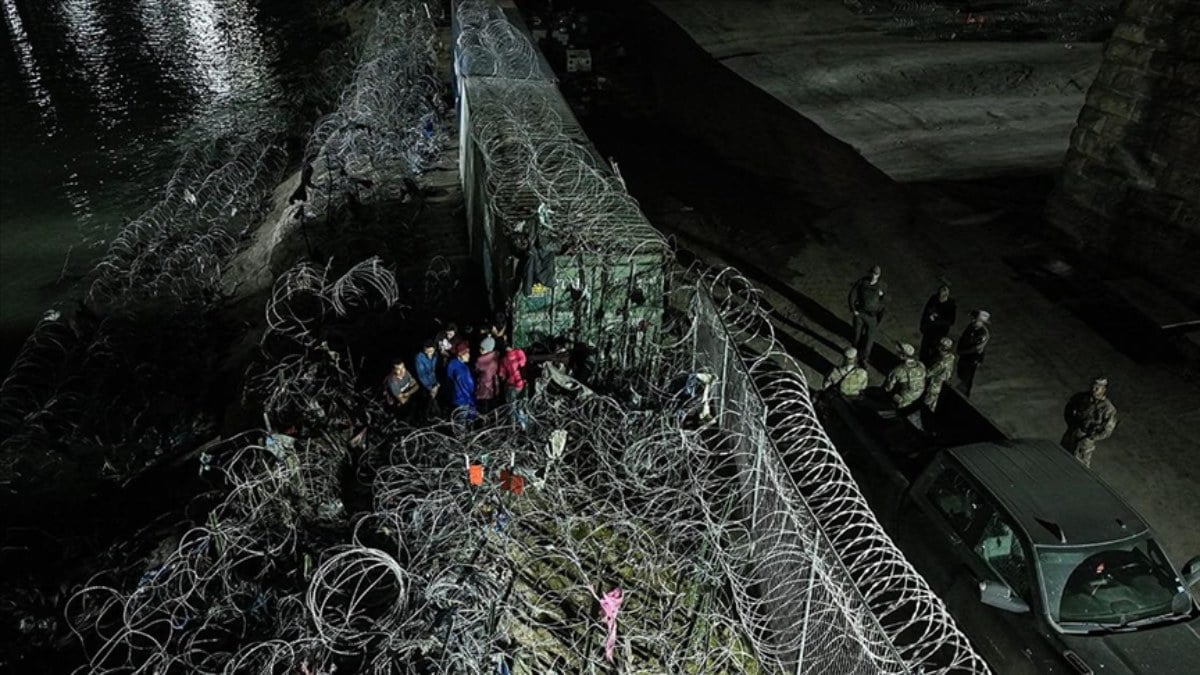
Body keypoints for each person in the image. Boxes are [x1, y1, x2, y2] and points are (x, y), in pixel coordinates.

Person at [1061, 377, 1118, 468]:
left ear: (1103, 389)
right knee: (1060, 458)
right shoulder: (1082, 398)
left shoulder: (1108, 409)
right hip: (1072, 434)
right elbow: (1069, 408)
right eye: (1093, 386)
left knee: (1078, 467)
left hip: (1085, 442)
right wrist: (1071, 424)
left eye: (1097, 388)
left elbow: (1107, 430)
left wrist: (1091, 438)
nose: (1093, 389)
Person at [848, 265, 887, 366]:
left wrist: (882, 296)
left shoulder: (882, 285)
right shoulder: (862, 282)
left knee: (869, 339)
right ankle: (853, 357)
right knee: (856, 336)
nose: (874, 276)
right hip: (860, 313)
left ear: (879, 275)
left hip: (872, 316)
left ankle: (864, 358)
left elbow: (885, 303)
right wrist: (853, 309)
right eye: (873, 273)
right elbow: (852, 294)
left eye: (876, 274)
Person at [919, 283, 957, 365]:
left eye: (942, 297)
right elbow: (926, 311)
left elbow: (951, 321)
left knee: (935, 351)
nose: (940, 299)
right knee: (924, 349)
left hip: (939, 333)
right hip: (928, 330)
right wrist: (923, 324)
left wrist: (936, 320)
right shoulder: (934, 299)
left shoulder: (950, 305)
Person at [956, 309, 990, 397]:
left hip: (972, 358)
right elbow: (963, 338)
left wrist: (961, 352)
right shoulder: (971, 326)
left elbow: (975, 348)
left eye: (976, 319)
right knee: (961, 372)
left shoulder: (983, 333)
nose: (973, 320)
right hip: (964, 354)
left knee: (967, 377)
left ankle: (964, 394)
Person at [883, 342, 926, 411]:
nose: (896, 353)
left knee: (889, 393)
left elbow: (888, 388)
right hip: (919, 393)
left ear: (903, 355)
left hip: (906, 397)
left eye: (899, 352)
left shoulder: (898, 370)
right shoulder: (920, 364)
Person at [499, 342, 529, 429]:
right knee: (522, 406)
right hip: (522, 384)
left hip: (511, 385)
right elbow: (523, 364)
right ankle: (524, 426)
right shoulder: (519, 353)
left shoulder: (503, 359)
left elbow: (502, 374)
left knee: (511, 407)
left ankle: (513, 427)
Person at [446, 342, 476, 426]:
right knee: (464, 420)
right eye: (465, 354)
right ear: (460, 355)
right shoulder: (464, 370)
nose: (468, 356)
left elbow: (449, 377)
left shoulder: (452, 363)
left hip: (455, 397)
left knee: (457, 419)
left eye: (468, 353)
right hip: (464, 399)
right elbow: (470, 386)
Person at [923, 337, 956, 413]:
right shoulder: (951, 357)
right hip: (943, 383)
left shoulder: (940, 363)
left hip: (935, 385)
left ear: (940, 347)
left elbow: (928, 373)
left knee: (927, 404)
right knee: (935, 403)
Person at [414, 339, 441, 421]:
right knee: (425, 401)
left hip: (434, 382)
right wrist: (430, 388)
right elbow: (421, 375)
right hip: (424, 385)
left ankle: (435, 416)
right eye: (427, 351)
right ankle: (424, 418)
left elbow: (436, 370)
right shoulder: (419, 357)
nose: (430, 353)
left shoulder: (436, 355)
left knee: (434, 401)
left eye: (431, 351)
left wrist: (437, 384)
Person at [475, 336, 501, 416]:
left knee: (484, 409)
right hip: (494, 386)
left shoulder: (481, 360)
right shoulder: (496, 356)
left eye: (482, 349)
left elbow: (476, 369)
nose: (480, 350)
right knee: (493, 408)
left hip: (484, 387)